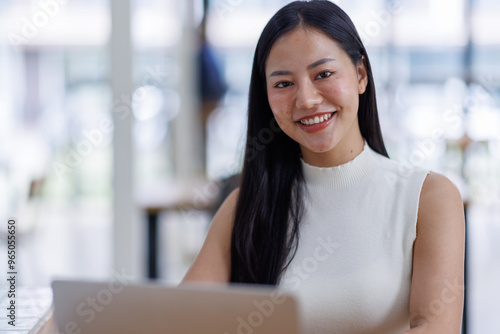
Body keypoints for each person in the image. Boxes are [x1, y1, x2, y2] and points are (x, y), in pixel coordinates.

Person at [183, 1, 465, 333]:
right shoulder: (246, 206)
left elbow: (435, 327)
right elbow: (182, 319)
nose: (306, 100)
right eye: (284, 84)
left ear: (361, 75)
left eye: (324, 74)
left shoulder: (427, 198)